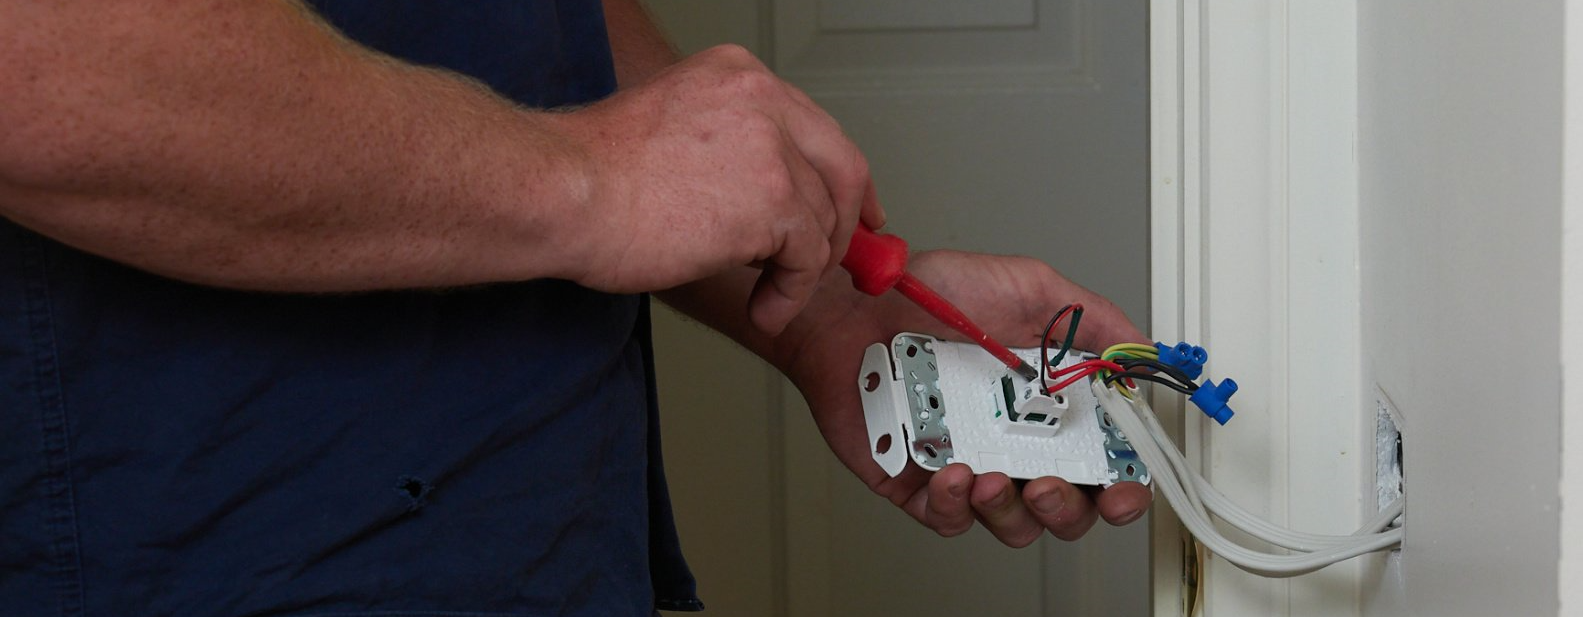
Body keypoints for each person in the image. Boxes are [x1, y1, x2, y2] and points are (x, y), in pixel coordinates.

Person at [0, 1, 1152, 615]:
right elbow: (39, 62)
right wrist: (591, 179)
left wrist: (832, 312)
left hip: (539, 535)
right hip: (195, 540)